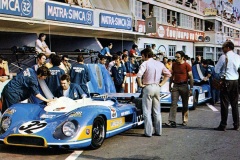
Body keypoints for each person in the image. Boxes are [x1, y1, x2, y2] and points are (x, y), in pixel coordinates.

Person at [137, 48, 171, 137]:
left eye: (142, 55)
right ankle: (158, 131)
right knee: (157, 110)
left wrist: (140, 84)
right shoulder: (160, 63)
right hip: (157, 87)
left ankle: (148, 132)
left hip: (148, 87)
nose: (142, 57)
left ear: (146, 55)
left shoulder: (145, 64)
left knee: (147, 111)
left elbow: (139, 75)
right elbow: (168, 74)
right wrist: (161, 84)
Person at [214, 41, 240, 131]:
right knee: (234, 104)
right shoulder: (238, 57)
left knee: (224, 104)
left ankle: (223, 125)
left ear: (228, 47)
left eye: (223, 47)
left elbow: (216, 70)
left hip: (226, 81)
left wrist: (222, 73)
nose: (222, 49)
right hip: (235, 81)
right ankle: (236, 124)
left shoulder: (224, 57)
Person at [166, 51, 193, 127]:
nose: (176, 59)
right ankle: (172, 121)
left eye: (178, 57)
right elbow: (172, 75)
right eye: (176, 57)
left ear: (182, 57)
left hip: (184, 85)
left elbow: (191, 77)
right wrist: (170, 85)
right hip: (175, 85)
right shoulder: (174, 65)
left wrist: (191, 88)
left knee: (185, 104)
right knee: (173, 103)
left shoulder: (187, 65)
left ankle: (185, 120)